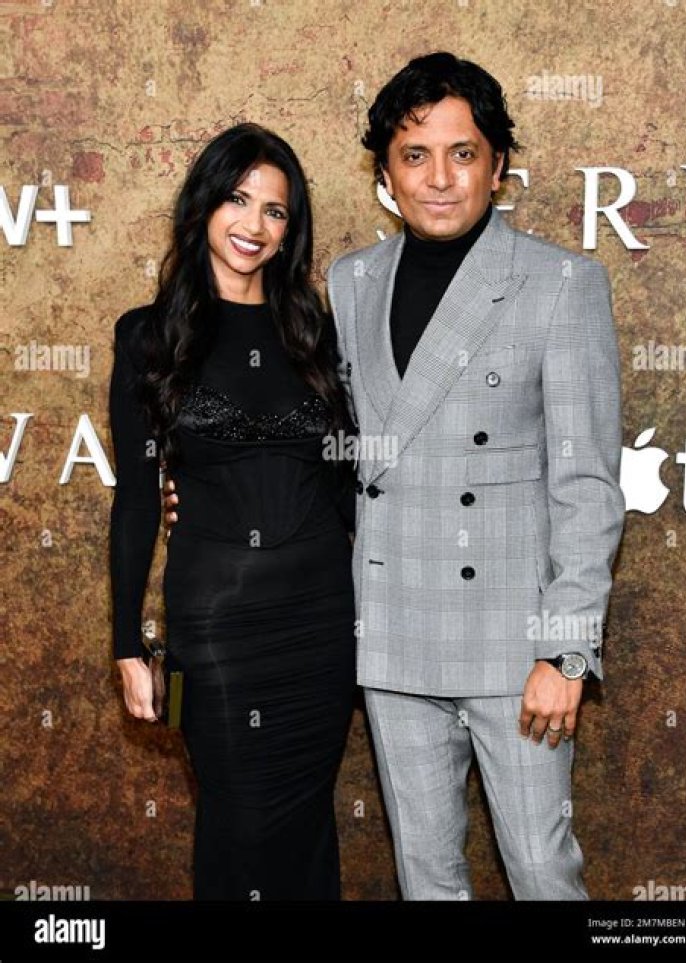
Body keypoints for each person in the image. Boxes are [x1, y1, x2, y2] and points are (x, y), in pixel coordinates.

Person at [166, 52, 626, 901]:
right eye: (415, 155)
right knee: (426, 877)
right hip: (390, 634)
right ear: (386, 174)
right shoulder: (352, 281)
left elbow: (588, 488)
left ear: (498, 165)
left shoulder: (561, 284)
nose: (439, 179)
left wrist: (566, 651)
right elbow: (318, 436)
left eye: (463, 153)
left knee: (540, 870)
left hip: (514, 645)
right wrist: (202, 486)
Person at [108, 122, 358, 900]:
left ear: (291, 229)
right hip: (211, 630)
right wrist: (126, 646)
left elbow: (349, 484)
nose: (254, 224)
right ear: (204, 205)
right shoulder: (148, 336)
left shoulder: (316, 333)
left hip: (321, 624)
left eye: (275, 210)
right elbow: (137, 498)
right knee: (237, 816)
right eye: (237, 199)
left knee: (307, 819)